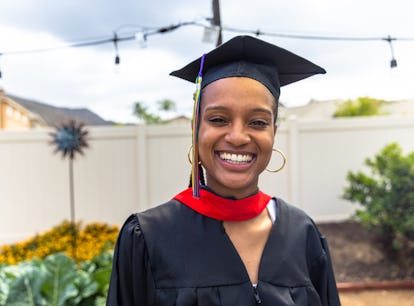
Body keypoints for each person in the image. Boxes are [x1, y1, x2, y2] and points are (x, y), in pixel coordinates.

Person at [107, 35, 341, 306]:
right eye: (218, 119)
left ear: (274, 133)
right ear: (196, 130)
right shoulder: (147, 238)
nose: (238, 136)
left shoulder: (303, 234)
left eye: (257, 122)